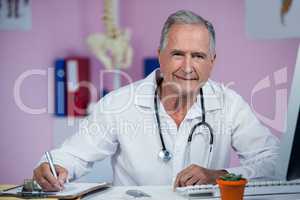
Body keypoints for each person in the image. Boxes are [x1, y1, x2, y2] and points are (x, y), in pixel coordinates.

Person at [33, 10, 279, 191]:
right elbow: (75, 155)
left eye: (198, 56)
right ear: (160, 56)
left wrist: (221, 176)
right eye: (177, 54)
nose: (188, 66)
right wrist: (53, 167)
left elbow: (273, 162)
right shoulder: (119, 103)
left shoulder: (230, 104)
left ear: (212, 62)